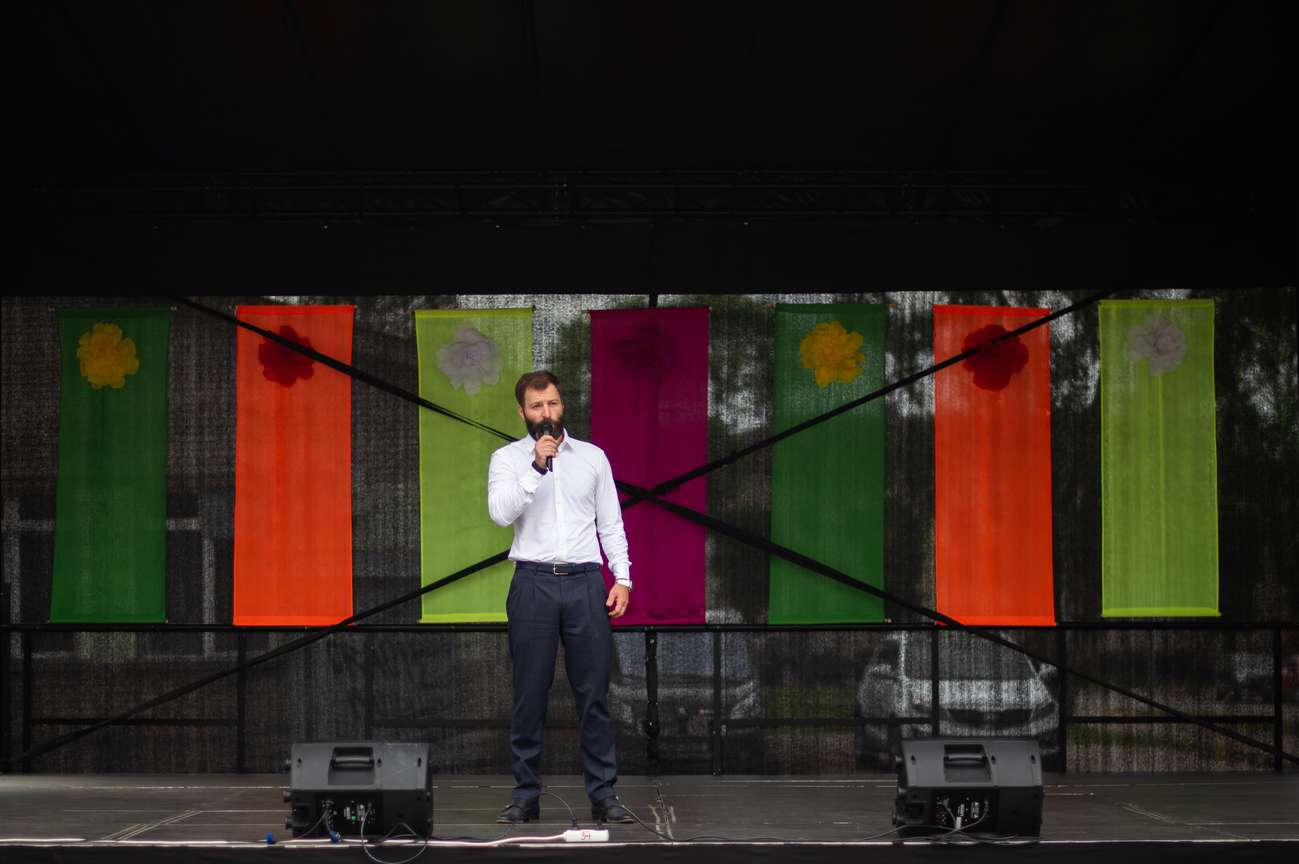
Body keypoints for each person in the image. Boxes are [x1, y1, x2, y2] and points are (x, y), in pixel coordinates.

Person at [487, 370, 634, 825]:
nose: (546, 413)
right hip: (533, 582)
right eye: (536, 406)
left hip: (585, 583)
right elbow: (500, 513)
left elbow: (611, 523)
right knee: (529, 694)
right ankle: (525, 796)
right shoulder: (507, 459)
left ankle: (603, 796)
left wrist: (623, 578)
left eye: (552, 403)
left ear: (562, 405)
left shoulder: (592, 458)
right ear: (522, 412)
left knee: (594, 694)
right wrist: (535, 467)